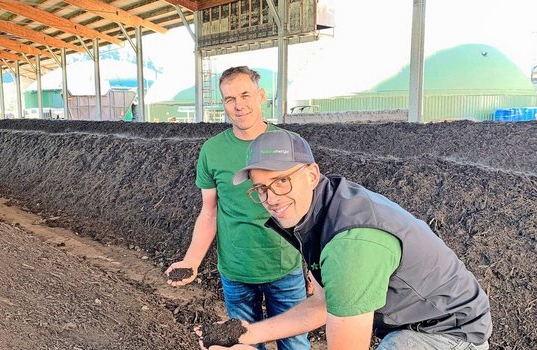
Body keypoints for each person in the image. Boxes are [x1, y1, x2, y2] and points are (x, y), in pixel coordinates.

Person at [202, 130, 492, 350]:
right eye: (261, 188)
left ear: (312, 174)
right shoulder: (319, 211)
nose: (271, 198)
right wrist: (247, 333)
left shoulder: (349, 245)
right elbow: (323, 303)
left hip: (450, 335)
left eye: (281, 181)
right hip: (418, 322)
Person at [165, 67, 310, 350]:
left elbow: (308, 210)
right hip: (236, 272)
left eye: (245, 95)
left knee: (294, 344)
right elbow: (209, 212)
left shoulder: (288, 144)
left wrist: (315, 269)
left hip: (285, 267)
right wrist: (191, 261)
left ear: (261, 96)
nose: (239, 105)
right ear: (223, 104)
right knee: (243, 344)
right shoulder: (212, 150)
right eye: (230, 98)